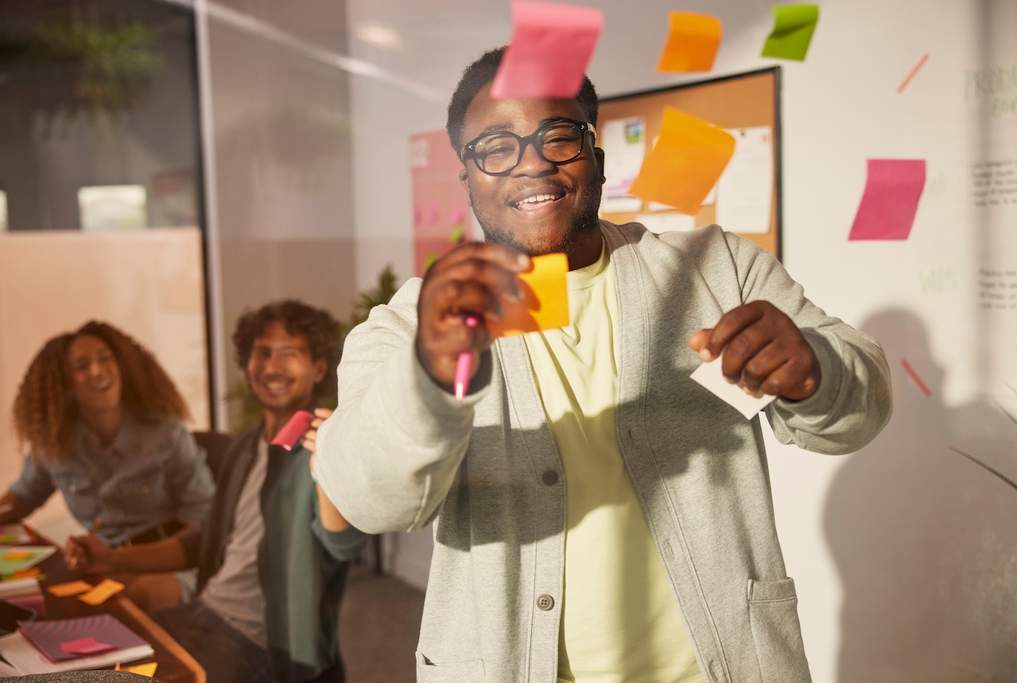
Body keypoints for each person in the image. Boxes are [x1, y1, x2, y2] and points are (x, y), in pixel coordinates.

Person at [314, 47, 892, 683]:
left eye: (557, 136)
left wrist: (815, 373)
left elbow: (860, 410)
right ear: (467, 175)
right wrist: (429, 371)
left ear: (597, 156)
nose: (531, 162)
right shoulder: (412, 322)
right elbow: (367, 500)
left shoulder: (716, 270)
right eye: (495, 147)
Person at [68, 300, 366, 683]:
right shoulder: (243, 448)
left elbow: (345, 545)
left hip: (264, 646)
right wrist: (112, 560)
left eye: (289, 354)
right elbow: (202, 541)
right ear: (247, 363)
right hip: (205, 612)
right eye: (262, 352)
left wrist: (330, 463)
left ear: (319, 369)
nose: (272, 366)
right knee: (96, 661)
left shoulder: (323, 446)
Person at [0, 321, 214, 608]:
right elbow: (22, 498)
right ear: (64, 384)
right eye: (82, 366)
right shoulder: (54, 444)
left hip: (172, 561)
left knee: (138, 596)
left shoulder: (166, 433)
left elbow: (205, 523)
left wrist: (127, 561)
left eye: (105, 358)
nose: (97, 371)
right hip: (104, 563)